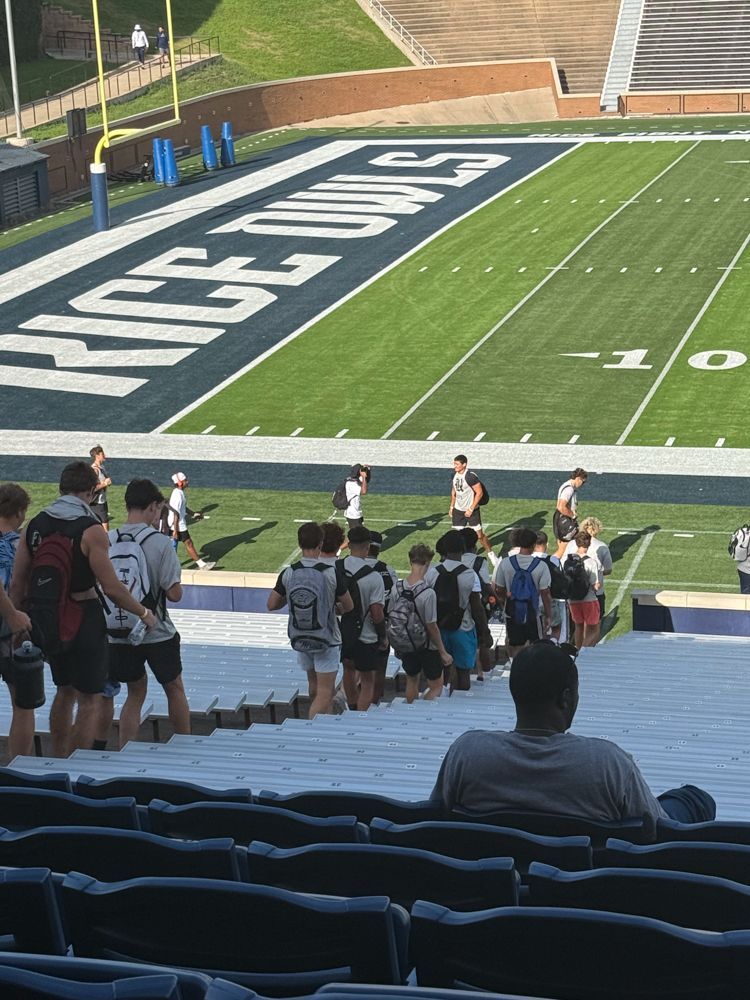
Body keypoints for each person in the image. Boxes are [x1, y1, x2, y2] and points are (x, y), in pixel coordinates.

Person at [429, 641, 716, 837]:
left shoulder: (467, 753)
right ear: (566, 698)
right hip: (586, 903)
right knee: (694, 799)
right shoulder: (607, 764)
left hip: (493, 897)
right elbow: (659, 831)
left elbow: (435, 818)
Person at [10, 462, 156, 757]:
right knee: (89, 697)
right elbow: (112, 587)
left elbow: (19, 581)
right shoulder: (90, 530)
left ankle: (59, 756)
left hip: (47, 616)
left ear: (60, 489)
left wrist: (17, 620)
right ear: (91, 492)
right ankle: (76, 764)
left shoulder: (36, 525)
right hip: (85, 617)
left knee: (63, 691)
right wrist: (143, 613)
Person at [100, 479, 190, 748]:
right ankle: (186, 747)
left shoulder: (107, 539)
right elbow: (174, 594)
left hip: (118, 632)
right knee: (174, 688)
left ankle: (126, 748)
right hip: (157, 631)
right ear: (153, 506)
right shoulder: (160, 543)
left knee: (134, 692)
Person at [268, 522, 352, 719]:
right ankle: (310, 728)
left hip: (300, 636)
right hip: (327, 638)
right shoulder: (331, 573)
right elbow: (348, 606)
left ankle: (325, 724)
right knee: (326, 691)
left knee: (314, 686)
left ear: (299, 544)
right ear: (320, 543)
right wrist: (331, 607)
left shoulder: (289, 572)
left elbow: (271, 604)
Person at [388, 543, 452, 703]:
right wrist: (442, 651)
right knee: (436, 684)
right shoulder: (428, 592)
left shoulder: (397, 587)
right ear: (427, 563)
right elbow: (431, 625)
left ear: (410, 562)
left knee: (411, 678)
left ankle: (411, 708)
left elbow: (391, 614)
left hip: (406, 642)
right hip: (427, 645)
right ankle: (423, 707)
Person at [429, 530, 491, 692]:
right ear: (463, 549)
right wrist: (485, 632)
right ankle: (460, 701)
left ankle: (441, 702)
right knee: (464, 673)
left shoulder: (433, 572)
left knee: (442, 672)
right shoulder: (469, 574)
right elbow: (477, 607)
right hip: (463, 628)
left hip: (438, 628)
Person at [0, 483, 35, 759]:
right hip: (15, 632)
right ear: (20, 513)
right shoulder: (22, 545)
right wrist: (13, 614)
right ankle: (18, 772)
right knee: (22, 705)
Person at [338, 526, 386, 711]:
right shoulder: (374, 577)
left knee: (348, 670)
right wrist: (383, 636)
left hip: (343, 631)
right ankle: (361, 714)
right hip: (366, 635)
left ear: (348, 545)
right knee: (367, 679)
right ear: (367, 547)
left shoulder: (337, 568)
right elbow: (376, 613)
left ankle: (351, 707)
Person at [492, 527, 552, 658]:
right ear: (534, 544)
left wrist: (505, 601)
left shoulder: (506, 563)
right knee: (535, 643)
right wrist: (548, 615)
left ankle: (514, 667)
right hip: (533, 611)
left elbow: (499, 589)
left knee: (514, 643)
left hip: (512, 610)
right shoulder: (541, 566)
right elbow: (545, 592)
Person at [366, 530, 398, 703]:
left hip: (354, 626)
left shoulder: (347, 567)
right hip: (381, 625)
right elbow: (394, 599)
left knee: (354, 667)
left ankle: (355, 702)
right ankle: (375, 700)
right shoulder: (387, 570)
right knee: (379, 667)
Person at [449, 455, 496, 564]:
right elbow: (453, 491)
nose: (454, 466)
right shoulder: (453, 475)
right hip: (458, 510)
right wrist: (451, 506)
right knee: (458, 537)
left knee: (479, 536)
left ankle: (492, 555)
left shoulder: (470, 477)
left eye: (457, 464)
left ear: (464, 464)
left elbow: (479, 493)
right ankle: (460, 558)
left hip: (472, 511)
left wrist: (471, 508)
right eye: (454, 464)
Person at [460, 527, 492, 680]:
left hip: (457, 606)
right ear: (474, 545)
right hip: (476, 605)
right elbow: (485, 585)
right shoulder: (479, 562)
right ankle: (482, 673)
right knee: (482, 641)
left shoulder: (452, 560)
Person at [565, 516, 612, 620]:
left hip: (572, 592)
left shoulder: (571, 544)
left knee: (576, 625)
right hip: (594, 594)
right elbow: (608, 569)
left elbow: (563, 564)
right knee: (594, 626)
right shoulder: (602, 546)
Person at [563, 530, 602, 649]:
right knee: (594, 629)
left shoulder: (567, 561)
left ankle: (578, 650)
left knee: (578, 626)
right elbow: (595, 585)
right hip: (589, 599)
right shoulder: (591, 562)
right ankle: (584, 651)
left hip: (573, 600)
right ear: (589, 543)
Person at [168, 473, 215, 570]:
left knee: (176, 546)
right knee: (188, 543)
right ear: (180, 483)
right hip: (177, 524)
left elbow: (183, 508)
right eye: (185, 480)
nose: (187, 482)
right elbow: (175, 513)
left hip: (177, 524)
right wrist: (175, 531)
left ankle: (169, 566)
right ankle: (202, 565)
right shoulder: (177, 495)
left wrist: (193, 514)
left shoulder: (179, 493)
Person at [533, 530, 566, 643]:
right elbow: (559, 580)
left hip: (531, 600)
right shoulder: (553, 560)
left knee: (538, 629)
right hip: (549, 599)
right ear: (547, 544)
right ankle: (552, 645)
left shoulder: (527, 560)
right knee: (556, 628)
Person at [554, 468, 588, 560]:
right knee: (562, 550)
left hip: (561, 519)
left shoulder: (567, 486)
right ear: (578, 478)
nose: (582, 485)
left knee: (563, 547)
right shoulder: (569, 489)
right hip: (565, 521)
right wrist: (572, 515)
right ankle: (550, 565)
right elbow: (561, 507)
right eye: (583, 482)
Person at [89, 445, 111, 531]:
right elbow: (91, 488)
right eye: (102, 454)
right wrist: (104, 484)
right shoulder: (94, 470)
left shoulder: (102, 468)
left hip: (102, 501)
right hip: (97, 504)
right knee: (105, 529)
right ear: (97, 456)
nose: (104, 455)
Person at [344, 464, 369, 534]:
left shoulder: (355, 480)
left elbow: (367, 481)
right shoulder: (351, 483)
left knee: (358, 534)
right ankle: (339, 545)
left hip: (356, 513)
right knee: (355, 535)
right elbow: (364, 491)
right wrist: (364, 476)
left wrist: (368, 471)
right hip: (353, 514)